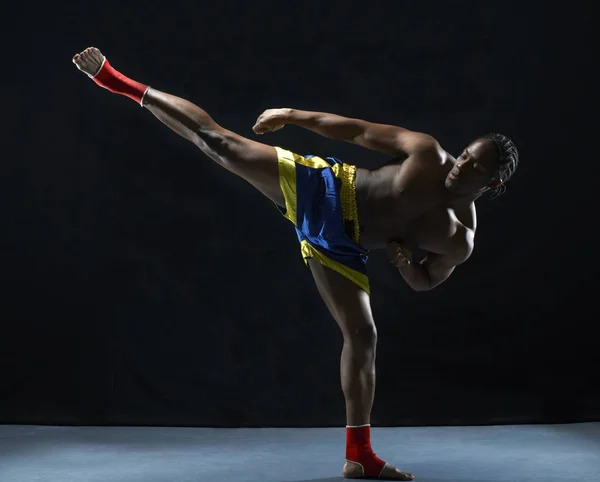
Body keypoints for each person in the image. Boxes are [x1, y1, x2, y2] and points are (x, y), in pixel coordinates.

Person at [72, 46, 519, 481]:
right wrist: (291, 115)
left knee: (363, 335)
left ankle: (359, 456)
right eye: (465, 154)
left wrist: (405, 266)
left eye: (474, 167)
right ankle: (118, 82)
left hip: (342, 247)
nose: (460, 166)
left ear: (493, 183)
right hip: (326, 188)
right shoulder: (427, 153)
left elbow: (426, 281)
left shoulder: (459, 240)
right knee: (219, 142)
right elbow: (358, 131)